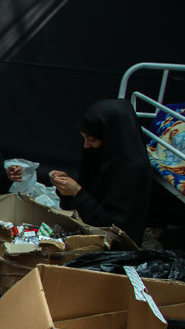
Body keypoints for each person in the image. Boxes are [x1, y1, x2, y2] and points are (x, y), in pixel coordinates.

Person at [48, 98, 151, 245]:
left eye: (91, 140)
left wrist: (77, 193)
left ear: (110, 137)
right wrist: (65, 188)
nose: (86, 145)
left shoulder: (132, 170)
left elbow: (117, 229)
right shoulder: (102, 155)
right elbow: (87, 195)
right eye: (84, 138)